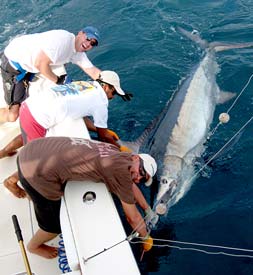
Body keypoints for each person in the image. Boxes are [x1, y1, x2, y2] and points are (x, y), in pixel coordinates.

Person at [17, 136, 158, 259]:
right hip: (35, 174)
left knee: (40, 185)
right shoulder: (120, 172)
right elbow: (132, 218)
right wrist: (145, 237)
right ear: (135, 157)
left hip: (30, 151)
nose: (138, 177)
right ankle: (34, 246)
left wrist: (147, 209)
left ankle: (26, 191)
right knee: (54, 225)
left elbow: (131, 185)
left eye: (142, 178)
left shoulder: (115, 151)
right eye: (141, 170)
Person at [3, 70, 132, 198]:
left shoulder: (85, 85)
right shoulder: (101, 102)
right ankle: (11, 181)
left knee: (26, 133)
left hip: (29, 106)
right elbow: (103, 137)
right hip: (37, 118)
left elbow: (78, 112)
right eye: (113, 91)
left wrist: (97, 129)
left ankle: (3, 152)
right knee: (35, 161)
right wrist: (119, 149)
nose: (113, 96)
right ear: (105, 86)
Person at [0, 26, 101, 123]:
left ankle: (26, 81)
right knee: (13, 115)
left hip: (27, 60)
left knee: (61, 64)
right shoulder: (63, 41)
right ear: (80, 33)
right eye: (88, 39)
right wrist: (58, 80)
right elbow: (39, 64)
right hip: (12, 64)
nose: (88, 44)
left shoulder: (77, 52)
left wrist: (110, 86)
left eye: (92, 43)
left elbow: (93, 71)